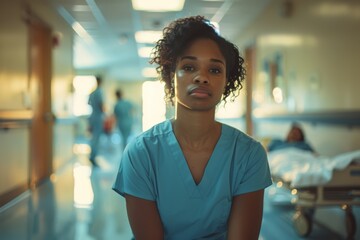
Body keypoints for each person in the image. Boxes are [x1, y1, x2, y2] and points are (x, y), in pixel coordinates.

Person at [113, 16, 272, 239]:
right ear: (170, 75)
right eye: (188, 67)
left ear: (227, 81)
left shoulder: (248, 155)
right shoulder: (141, 153)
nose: (201, 77)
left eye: (215, 70)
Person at [88, 75, 105, 167]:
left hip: (92, 116)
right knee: (96, 138)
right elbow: (101, 105)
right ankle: (93, 157)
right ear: (101, 81)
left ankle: (92, 156)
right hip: (98, 117)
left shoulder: (92, 92)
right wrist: (104, 114)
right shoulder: (99, 92)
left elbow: (89, 103)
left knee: (93, 137)